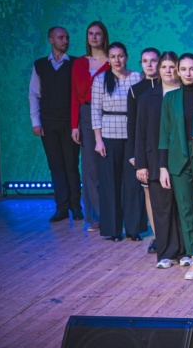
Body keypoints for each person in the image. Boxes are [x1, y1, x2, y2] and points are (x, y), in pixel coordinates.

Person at [159, 53, 193, 279]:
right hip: (179, 161)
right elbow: (164, 133)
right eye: (183, 69)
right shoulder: (170, 98)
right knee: (187, 210)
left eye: (192, 69)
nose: (188, 73)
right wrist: (163, 167)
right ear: (178, 71)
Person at [91, 42, 146, 241]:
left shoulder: (136, 77)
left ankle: (134, 228)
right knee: (110, 183)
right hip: (109, 135)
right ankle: (113, 230)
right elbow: (95, 111)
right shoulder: (100, 80)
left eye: (120, 56)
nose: (117, 60)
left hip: (131, 135)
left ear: (126, 57)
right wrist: (98, 140)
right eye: (113, 56)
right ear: (108, 59)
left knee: (133, 183)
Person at [135, 51, 184, 268]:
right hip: (154, 160)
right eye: (164, 66)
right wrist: (141, 164)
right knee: (162, 208)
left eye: (172, 66)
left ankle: (184, 251)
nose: (168, 71)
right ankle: (165, 252)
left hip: (182, 160)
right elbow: (140, 131)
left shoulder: (185, 94)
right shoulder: (148, 97)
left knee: (182, 208)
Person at [29, 26, 81, 223]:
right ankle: (62, 207)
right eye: (60, 37)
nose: (65, 41)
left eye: (66, 37)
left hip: (69, 123)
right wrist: (36, 122)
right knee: (56, 165)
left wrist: (77, 124)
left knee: (71, 165)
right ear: (51, 40)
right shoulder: (40, 65)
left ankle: (76, 206)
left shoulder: (74, 63)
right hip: (49, 123)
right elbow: (34, 94)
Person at [70, 21, 110, 231]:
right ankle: (97, 216)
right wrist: (74, 125)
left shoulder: (112, 62)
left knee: (109, 165)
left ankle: (114, 214)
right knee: (90, 169)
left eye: (98, 33)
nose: (94, 37)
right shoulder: (79, 63)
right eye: (90, 33)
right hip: (86, 115)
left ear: (104, 36)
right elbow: (74, 96)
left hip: (109, 114)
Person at [129, 48, 161, 253]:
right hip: (146, 150)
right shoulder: (135, 90)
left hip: (165, 148)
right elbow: (133, 125)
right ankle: (158, 236)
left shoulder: (169, 86)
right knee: (149, 192)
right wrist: (135, 155)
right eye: (145, 61)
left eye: (153, 60)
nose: (149, 65)